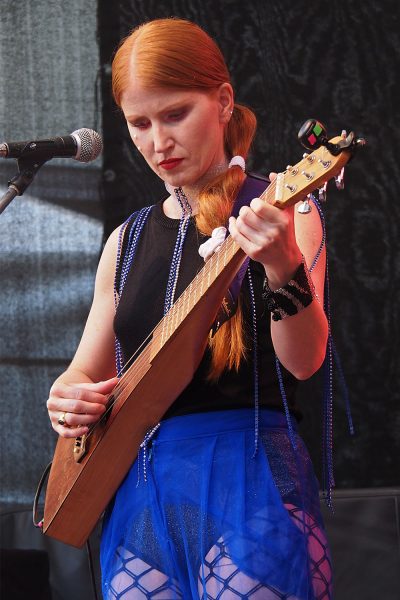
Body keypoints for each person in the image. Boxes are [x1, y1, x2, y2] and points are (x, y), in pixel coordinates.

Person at [47, 17, 332, 599]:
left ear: (223, 102)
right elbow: (88, 369)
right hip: (142, 486)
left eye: (176, 115)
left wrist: (282, 265)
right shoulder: (125, 242)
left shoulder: (284, 207)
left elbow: (305, 362)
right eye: (139, 123)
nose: (158, 142)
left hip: (250, 475)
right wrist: (68, 396)